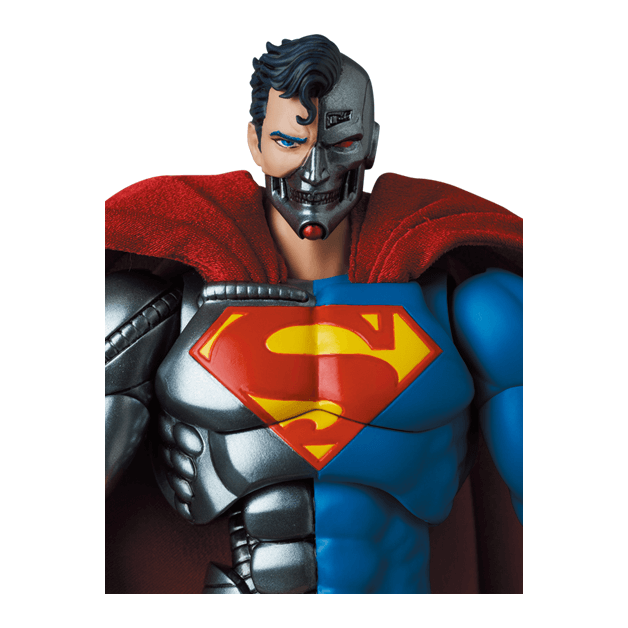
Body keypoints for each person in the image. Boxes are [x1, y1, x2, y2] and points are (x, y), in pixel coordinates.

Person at [105, 34, 522, 594]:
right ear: (255, 143)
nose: (315, 170)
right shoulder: (154, 314)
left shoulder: (474, 313)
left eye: (342, 141)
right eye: (288, 141)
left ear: (371, 144)